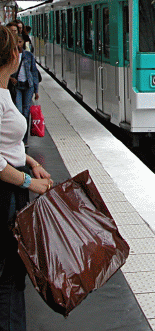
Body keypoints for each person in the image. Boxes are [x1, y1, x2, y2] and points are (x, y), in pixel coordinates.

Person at [0, 25, 53, 331]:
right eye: (16, 48)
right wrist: (28, 183)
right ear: (11, 55)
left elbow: (6, 144)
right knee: (7, 277)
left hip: (11, 191)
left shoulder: (4, 89)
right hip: (5, 195)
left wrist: (30, 161)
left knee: (14, 276)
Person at [10, 35, 39, 146]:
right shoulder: (11, 56)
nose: (18, 44)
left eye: (20, 42)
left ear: (23, 43)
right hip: (17, 86)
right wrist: (10, 78)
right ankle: (19, 137)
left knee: (26, 113)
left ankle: (24, 139)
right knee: (19, 111)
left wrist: (36, 90)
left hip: (28, 86)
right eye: (16, 42)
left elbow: (34, 72)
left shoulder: (28, 55)